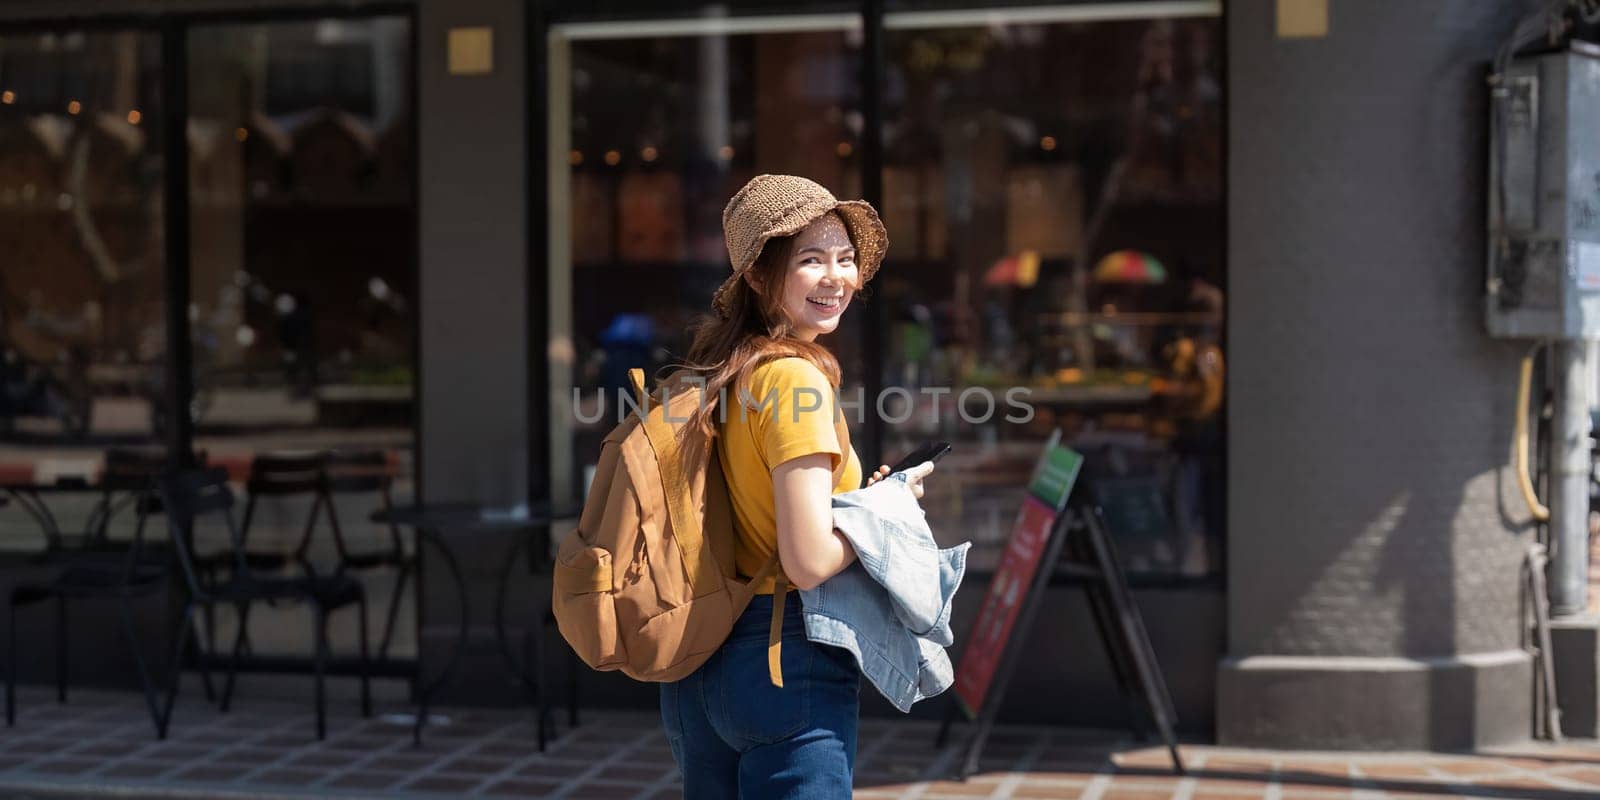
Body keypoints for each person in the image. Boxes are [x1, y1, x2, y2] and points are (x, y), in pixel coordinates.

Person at [663, 174, 932, 797]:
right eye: (811, 260)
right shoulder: (794, 382)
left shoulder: (714, 373)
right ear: (758, 277)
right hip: (785, 659)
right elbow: (807, 559)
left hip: (698, 663)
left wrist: (860, 502)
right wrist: (889, 513)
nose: (837, 276)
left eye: (845, 258)